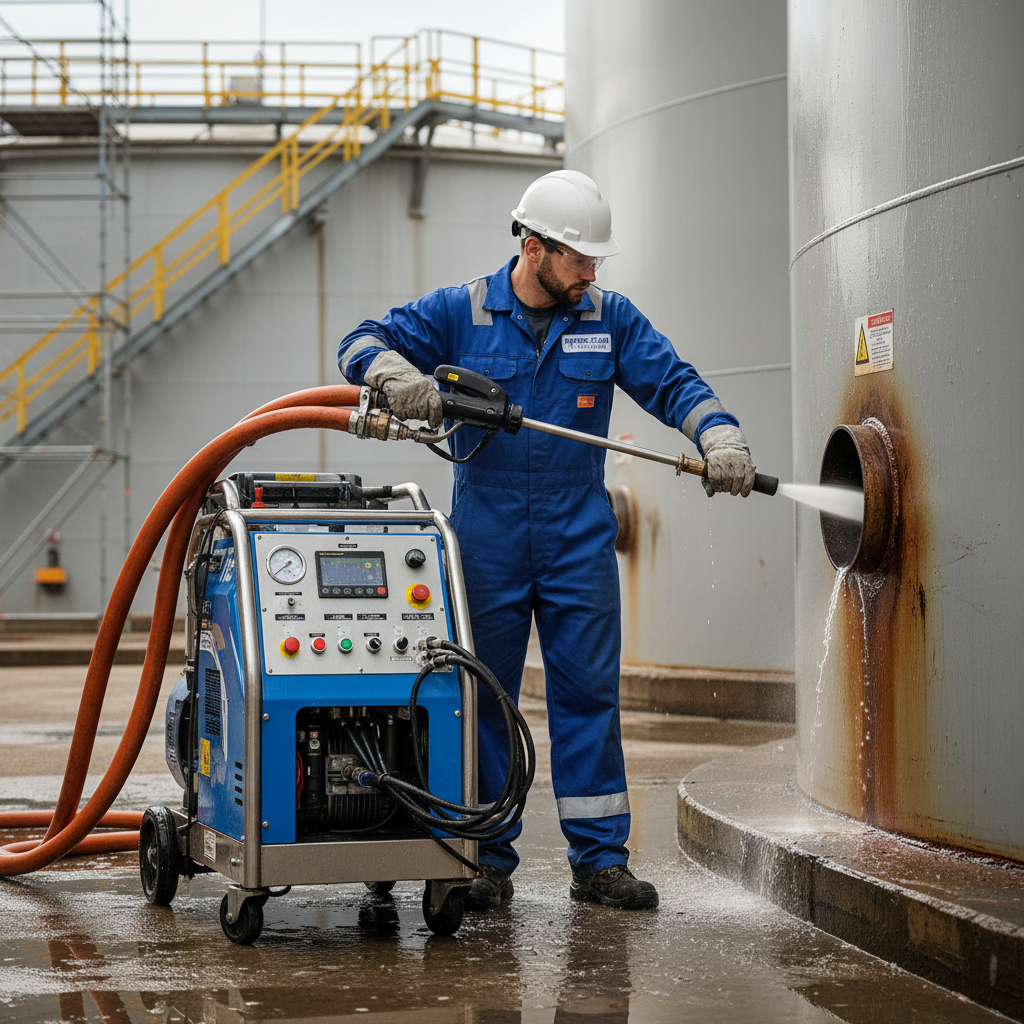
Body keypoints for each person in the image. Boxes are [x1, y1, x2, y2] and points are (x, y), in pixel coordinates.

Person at [337, 170, 756, 912]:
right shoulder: (460, 312)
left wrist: (718, 434)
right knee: (486, 701)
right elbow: (360, 341)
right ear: (532, 248)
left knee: (588, 698)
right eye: (579, 259)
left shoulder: (607, 317)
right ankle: (487, 860)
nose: (591, 273)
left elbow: (675, 382)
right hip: (487, 539)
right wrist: (398, 377)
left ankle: (599, 863)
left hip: (576, 539)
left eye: (596, 262)